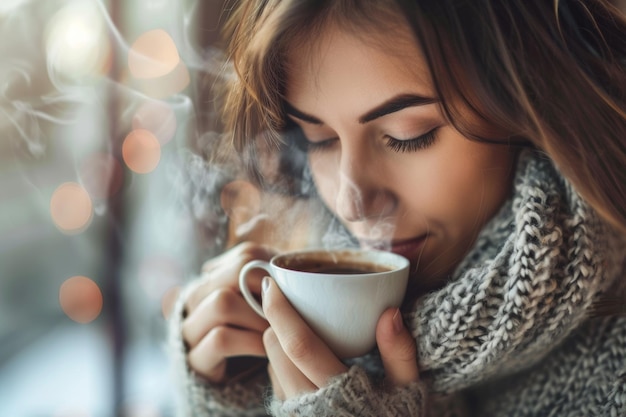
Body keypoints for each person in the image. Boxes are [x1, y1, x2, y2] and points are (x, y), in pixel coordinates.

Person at [168, 1, 626, 416]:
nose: (353, 203)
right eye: (320, 140)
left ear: (528, 109)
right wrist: (230, 397)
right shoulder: (304, 269)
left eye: (409, 135)